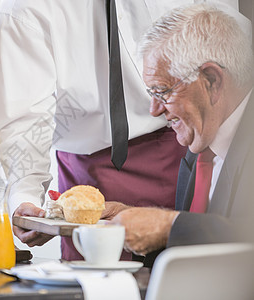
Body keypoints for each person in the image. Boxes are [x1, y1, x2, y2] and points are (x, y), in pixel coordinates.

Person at [0, 0, 237, 261]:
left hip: (190, 155)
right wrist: (25, 196)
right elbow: (25, 119)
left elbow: (230, 47)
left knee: (198, 270)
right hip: (88, 181)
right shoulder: (26, 9)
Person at [107, 3, 254, 257]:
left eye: (162, 91)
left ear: (211, 80)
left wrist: (168, 226)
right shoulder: (197, 148)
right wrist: (134, 220)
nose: (154, 110)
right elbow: (205, 247)